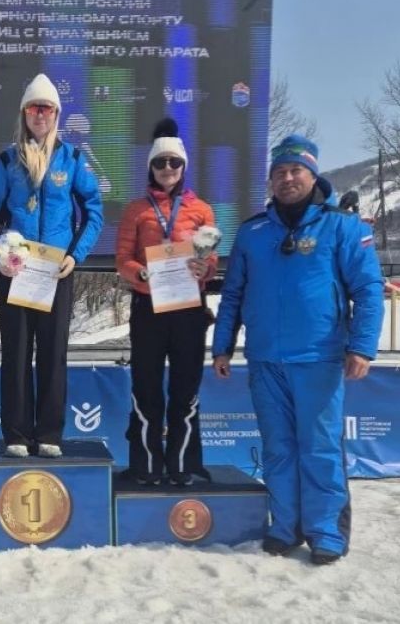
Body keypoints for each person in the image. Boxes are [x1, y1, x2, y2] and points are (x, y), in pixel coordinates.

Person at [211, 135, 384, 565]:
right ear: (270, 181)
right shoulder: (252, 232)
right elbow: (233, 294)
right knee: (278, 447)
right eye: (279, 172)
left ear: (313, 175)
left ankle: (325, 530)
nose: (287, 179)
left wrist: (361, 346)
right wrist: (222, 347)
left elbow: (368, 290)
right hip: (266, 360)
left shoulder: (343, 227)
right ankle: (285, 526)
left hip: (319, 359)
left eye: (295, 171)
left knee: (320, 447)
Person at [0, 73, 104, 458]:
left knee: (53, 352)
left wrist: (75, 255)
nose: (40, 114)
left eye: (47, 108)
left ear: (56, 115)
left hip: (55, 271)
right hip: (16, 273)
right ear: (24, 113)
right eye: (34, 108)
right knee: (16, 353)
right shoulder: (7, 160)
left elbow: (94, 213)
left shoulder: (72, 159)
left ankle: (49, 432)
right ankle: (17, 433)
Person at [116, 118, 218, 486]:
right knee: (145, 385)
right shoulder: (135, 210)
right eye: (160, 163)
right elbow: (122, 258)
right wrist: (140, 273)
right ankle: (145, 465)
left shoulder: (202, 210)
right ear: (150, 167)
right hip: (148, 308)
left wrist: (203, 267)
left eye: (174, 162)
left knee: (186, 387)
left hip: (189, 308)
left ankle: (184, 465)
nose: (167, 169)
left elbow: (211, 262)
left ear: (184, 166)